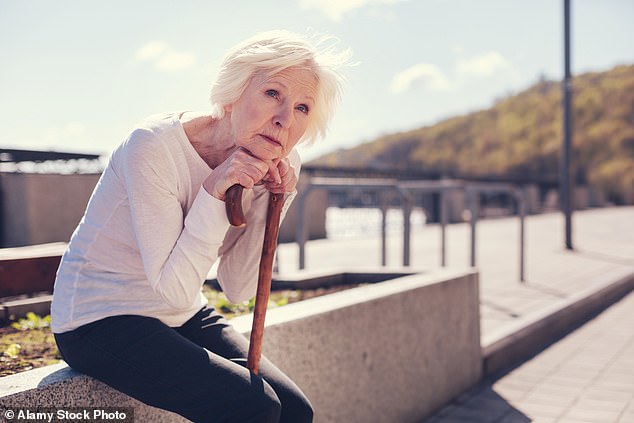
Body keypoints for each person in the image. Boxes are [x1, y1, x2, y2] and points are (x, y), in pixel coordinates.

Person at [51, 30, 349, 423]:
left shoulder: (279, 162)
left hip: (182, 313)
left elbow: (239, 289)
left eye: (302, 108)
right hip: (97, 318)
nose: (283, 119)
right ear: (233, 91)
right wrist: (213, 192)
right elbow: (171, 290)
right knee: (253, 406)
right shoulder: (153, 146)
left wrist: (272, 198)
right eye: (273, 94)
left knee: (294, 411)